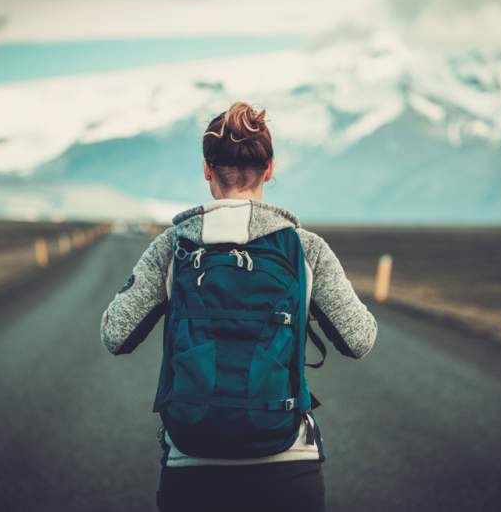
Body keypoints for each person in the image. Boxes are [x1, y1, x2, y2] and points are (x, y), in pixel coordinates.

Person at [100, 101, 378, 512]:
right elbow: (359, 339)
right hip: (286, 465)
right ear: (270, 169)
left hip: (192, 466)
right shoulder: (305, 249)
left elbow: (115, 334)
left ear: (207, 170)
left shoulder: (173, 247)